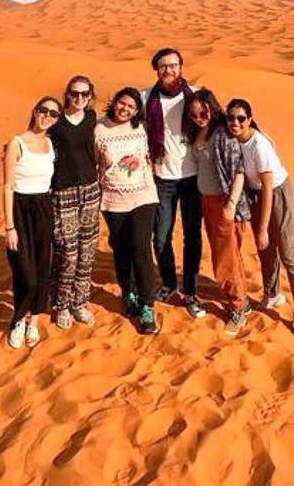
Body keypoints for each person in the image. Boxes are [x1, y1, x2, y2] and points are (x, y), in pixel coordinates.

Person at [221, 98, 294, 343]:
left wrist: (262, 228)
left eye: (241, 118)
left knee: (289, 253)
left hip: (277, 194)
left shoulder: (259, 145)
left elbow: (269, 188)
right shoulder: (232, 140)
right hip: (255, 194)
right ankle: (273, 294)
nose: (235, 122)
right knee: (266, 250)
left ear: (249, 120)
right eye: (231, 118)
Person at [185, 89, 253, 336]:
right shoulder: (200, 132)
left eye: (203, 113)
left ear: (212, 109)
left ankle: (237, 307)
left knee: (225, 258)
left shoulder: (223, 134)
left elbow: (239, 171)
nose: (199, 118)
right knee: (227, 253)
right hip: (207, 202)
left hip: (223, 203)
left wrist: (230, 205)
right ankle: (243, 300)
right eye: (194, 115)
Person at [144, 48, 205, 319]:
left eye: (173, 65)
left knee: (192, 237)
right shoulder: (146, 98)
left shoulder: (196, 95)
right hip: (162, 179)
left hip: (193, 179)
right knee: (161, 237)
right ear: (156, 69)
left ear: (181, 67)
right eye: (163, 66)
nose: (168, 70)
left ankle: (190, 291)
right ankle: (169, 283)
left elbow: (218, 122)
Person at [95, 87, 160, 336]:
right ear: (114, 102)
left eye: (131, 107)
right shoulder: (99, 129)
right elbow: (92, 161)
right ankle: (128, 292)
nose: (125, 109)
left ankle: (147, 306)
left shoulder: (140, 127)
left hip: (143, 197)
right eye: (122, 103)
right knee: (121, 249)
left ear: (136, 111)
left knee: (141, 248)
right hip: (112, 200)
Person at [1, 96, 61, 349]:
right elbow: (7, 187)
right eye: (44, 110)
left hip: (44, 208)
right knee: (24, 273)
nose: (48, 116)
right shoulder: (16, 143)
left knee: (42, 269)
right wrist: (10, 227)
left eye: (54, 114)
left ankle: (33, 320)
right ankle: (18, 320)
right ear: (35, 111)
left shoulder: (51, 144)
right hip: (20, 209)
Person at [48, 74, 101, 329]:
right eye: (74, 93)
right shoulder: (56, 122)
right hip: (63, 192)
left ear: (90, 97)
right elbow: (37, 137)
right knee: (67, 252)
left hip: (90, 190)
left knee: (87, 250)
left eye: (84, 94)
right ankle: (62, 304)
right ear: (67, 95)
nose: (79, 98)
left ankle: (80, 302)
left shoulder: (91, 119)